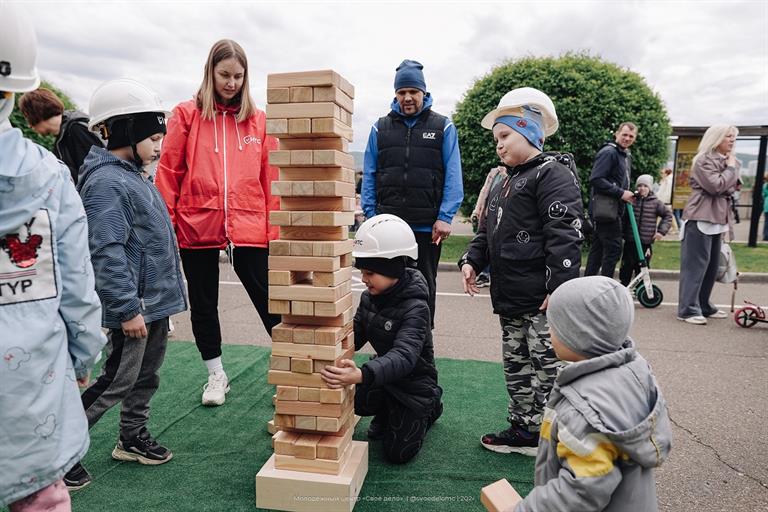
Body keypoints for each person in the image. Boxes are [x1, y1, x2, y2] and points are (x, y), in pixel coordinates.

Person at [1, 4, 106, 509]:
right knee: (40, 495)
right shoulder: (45, 174)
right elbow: (75, 276)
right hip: (30, 376)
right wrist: (84, 352)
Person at [66, 78, 188, 488]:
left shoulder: (134, 175)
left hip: (153, 304)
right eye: (153, 137)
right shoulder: (106, 183)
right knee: (114, 380)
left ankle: (131, 437)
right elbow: (106, 251)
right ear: (123, 131)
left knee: (146, 376)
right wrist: (126, 309)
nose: (159, 146)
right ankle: (60, 453)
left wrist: (161, 305)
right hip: (134, 308)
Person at [459, 87, 584, 455]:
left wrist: (559, 286)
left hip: (542, 299)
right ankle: (525, 430)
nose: (498, 145)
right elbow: (486, 230)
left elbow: (564, 234)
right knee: (517, 368)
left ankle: (564, 436)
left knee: (550, 369)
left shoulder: (552, 174)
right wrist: (471, 260)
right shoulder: (503, 180)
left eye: (504, 136)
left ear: (530, 131)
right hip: (510, 297)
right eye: (496, 138)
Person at [156, 39, 280, 406]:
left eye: (238, 76)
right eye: (224, 74)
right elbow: (169, 171)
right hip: (196, 224)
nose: (231, 83)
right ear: (210, 72)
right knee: (204, 302)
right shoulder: (186, 114)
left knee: (269, 299)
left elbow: (268, 179)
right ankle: (216, 375)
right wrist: (168, 225)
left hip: (249, 225)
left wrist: (273, 231)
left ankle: (293, 371)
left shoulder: (258, 120)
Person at [512, 276, 672, 511]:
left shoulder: (582, 410)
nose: (547, 332)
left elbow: (580, 491)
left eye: (554, 326)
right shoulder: (632, 372)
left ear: (578, 334)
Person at [320, 214, 443, 464]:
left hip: (413, 386)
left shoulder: (416, 307)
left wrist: (362, 375)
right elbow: (354, 335)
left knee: (397, 454)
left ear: (393, 269)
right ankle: (389, 408)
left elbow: (404, 356)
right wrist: (324, 351)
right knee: (357, 403)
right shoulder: (369, 298)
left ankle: (431, 406)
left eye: (370, 273)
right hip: (386, 378)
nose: (363, 279)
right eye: (363, 271)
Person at [361, 59, 464, 326]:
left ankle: (421, 345)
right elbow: (370, 173)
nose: (407, 98)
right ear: (395, 94)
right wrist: (372, 216)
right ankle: (390, 347)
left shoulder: (443, 127)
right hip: (388, 227)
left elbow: (453, 174)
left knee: (424, 287)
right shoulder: (379, 128)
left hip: (427, 227)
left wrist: (445, 216)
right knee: (386, 287)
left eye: (413, 92)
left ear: (423, 93)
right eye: (402, 92)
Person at [677, 125, 739, 325]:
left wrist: (728, 174)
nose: (732, 140)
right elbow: (716, 186)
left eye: (733, 137)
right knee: (695, 266)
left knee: (712, 266)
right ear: (717, 138)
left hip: (717, 219)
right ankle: (687, 309)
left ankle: (703, 304)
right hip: (700, 217)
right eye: (728, 136)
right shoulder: (704, 160)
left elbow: (736, 186)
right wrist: (729, 170)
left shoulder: (727, 160)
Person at [18, 87, 104, 184]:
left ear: (35, 113)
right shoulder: (63, 134)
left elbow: (95, 175)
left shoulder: (76, 129)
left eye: (27, 117)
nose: (29, 126)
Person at [584, 122, 638, 278]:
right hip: (606, 211)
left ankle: (588, 285)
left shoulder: (625, 155)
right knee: (613, 249)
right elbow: (596, 179)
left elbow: (619, 180)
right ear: (617, 134)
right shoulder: (609, 152)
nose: (627, 138)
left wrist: (628, 193)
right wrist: (621, 193)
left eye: (631, 136)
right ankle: (604, 287)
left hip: (613, 209)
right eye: (624, 134)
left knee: (598, 249)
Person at [618, 174, 672, 286]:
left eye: (645, 186)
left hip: (645, 243)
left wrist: (661, 232)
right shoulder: (631, 200)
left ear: (650, 188)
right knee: (626, 266)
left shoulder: (655, 203)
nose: (642, 188)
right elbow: (623, 218)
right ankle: (624, 286)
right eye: (639, 186)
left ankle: (641, 288)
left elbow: (668, 215)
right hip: (630, 241)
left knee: (642, 267)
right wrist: (622, 232)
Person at [470, 165, 507, 288]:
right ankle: (484, 274)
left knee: (494, 243)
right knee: (484, 241)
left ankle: (487, 274)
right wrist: (477, 211)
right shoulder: (493, 172)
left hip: (501, 216)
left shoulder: (512, 175)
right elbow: (484, 191)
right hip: (487, 214)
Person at [763, 173, 768, 241]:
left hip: (766, 206)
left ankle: (766, 236)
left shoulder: (764, 185)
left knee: (766, 222)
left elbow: (763, 195)